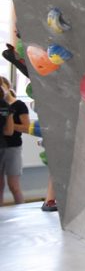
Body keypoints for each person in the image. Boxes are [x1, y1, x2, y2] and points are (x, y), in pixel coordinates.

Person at [0, 76, 30, 205]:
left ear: (7, 86)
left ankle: (21, 211)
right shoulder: (2, 106)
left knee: (14, 186)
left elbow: (26, 127)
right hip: (1, 146)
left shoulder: (19, 105)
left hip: (13, 148)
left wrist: (8, 123)